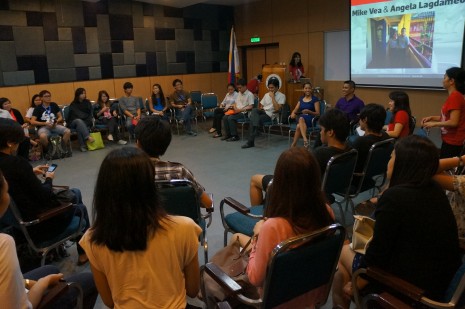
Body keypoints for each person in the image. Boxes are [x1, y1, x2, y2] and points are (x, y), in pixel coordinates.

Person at [332, 135, 461, 308]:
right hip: (437, 282)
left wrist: (359, 281)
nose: (389, 160)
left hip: (410, 290)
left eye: (392, 156)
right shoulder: (434, 189)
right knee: (346, 266)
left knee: (341, 255)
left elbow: (378, 254)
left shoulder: (396, 197)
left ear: (403, 163)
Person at [80, 147, 201, 308]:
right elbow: (193, 290)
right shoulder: (184, 228)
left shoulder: (93, 239)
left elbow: (109, 302)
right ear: (150, 184)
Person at [232, 148, 335, 307]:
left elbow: (255, 278)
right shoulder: (326, 212)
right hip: (311, 295)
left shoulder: (273, 227)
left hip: (276, 302)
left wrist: (257, 237)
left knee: (236, 239)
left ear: (280, 181)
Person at [0, 170, 98, 309]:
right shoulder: (4, 244)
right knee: (88, 280)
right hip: (38, 227)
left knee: (51, 269)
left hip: (23, 230)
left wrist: (26, 282)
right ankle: (83, 252)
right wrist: (42, 284)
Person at [0, 118, 90, 265]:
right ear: (9, 142)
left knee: (76, 193)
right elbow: (44, 196)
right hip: (38, 226)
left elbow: (14, 180)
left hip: (15, 225)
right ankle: (83, 252)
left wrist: (30, 171)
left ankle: (70, 246)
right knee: (80, 207)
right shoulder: (17, 164)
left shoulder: (11, 165)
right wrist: (49, 178)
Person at [249, 108, 350, 206]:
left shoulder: (321, 153)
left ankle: (262, 218)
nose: (320, 133)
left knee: (255, 179)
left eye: (321, 129)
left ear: (330, 132)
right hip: (325, 190)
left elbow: (297, 175)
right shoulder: (350, 150)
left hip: (303, 195)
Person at [135, 115, 213, 209]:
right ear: (166, 144)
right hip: (177, 222)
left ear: (138, 144)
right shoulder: (179, 171)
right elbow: (207, 203)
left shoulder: (124, 173)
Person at [422, 67, 465, 158]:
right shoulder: (454, 96)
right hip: (449, 140)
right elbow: (448, 117)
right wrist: (432, 118)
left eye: (445, 77)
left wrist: (434, 124)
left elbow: (453, 122)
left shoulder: (455, 97)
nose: (443, 80)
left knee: (445, 170)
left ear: (451, 81)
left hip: (453, 142)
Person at [350, 103, 390, 188]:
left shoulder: (361, 142)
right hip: (371, 176)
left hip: (355, 180)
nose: (359, 121)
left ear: (365, 119)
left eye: (360, 118)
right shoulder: (386, 137)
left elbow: (348, 164)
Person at [242, 77, 286, 149]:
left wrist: (272, 97)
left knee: (252, 120)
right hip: (263, 112)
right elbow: (261, 106)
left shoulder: (282, 96)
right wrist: (261, 108)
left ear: (277, 87)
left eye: (272, 88)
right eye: (269, 88)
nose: (270, 90)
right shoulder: (266, 94)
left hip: (271, 115)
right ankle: (256, 127)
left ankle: (250, 141)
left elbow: (277, 108)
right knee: (254, 110)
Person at [290, 82, 320, 148]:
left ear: (311, 89)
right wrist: (293, 113)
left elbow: (318, 113)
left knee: (298, 125)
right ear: (303, 89)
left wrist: (309, 111)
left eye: (309, 88)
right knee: (300, 119)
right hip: (302, 118)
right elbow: (296, 108)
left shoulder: (315, 99)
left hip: (311, 119)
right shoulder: (301, 99)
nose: (307, 90)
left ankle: (295, 144)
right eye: (306, 88)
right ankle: (305, 141)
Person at [67, 88, 95, 152]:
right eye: (82, 93)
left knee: (79, 127)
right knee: (79, 121)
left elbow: (90, 113)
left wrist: (87, 119)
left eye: (84, 93)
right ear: (78, 94)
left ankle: (82, 146)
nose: (84, 95)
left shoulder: (87, 102)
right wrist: (83, 118)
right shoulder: (73, 104)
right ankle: (88, 137)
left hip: (85, 121)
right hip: (73, 122)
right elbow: (74, 115)